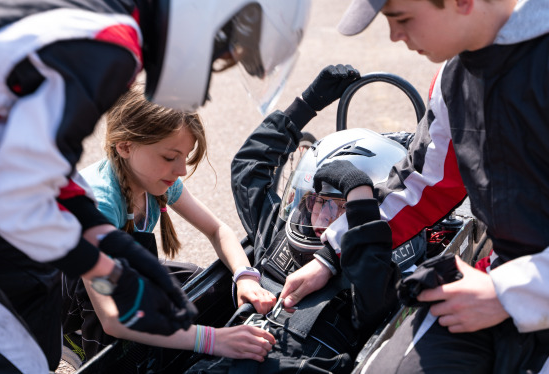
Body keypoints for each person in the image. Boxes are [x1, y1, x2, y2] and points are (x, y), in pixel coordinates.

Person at [0, 1, 311, 372]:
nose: (213, 67)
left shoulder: (111, 27)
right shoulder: (113, 46)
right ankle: (75, 337)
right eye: (220, 54)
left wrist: (243, 275)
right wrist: (101, 264)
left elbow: (40, 166)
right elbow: (18, 189)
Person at [285, 0, 548, 372]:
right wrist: (333, 251)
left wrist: (510, 293)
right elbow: (422, 185)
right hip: (503, 286)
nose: (394, 36)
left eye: (402, 18)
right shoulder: (455, 79)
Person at [184, 64, 427, 373]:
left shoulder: (376, 269)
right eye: (319, 202)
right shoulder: (277, 237)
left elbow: (370, 268)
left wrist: (357, 190)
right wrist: (307, 104)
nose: (324, 217)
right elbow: (249, 169)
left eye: (341, 208)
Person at [62, 86, 277, 367]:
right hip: (62, 297)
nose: (181, 171)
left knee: (208, 287)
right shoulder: (98, 205)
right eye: (169, 157)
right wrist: (211, 339)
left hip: (116, 271)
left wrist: (245, 275)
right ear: (125, 146)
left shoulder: (154, 179)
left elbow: (217, 230)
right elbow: (113, 317)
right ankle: (76, 338)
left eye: (184, 157)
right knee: (123, 351)